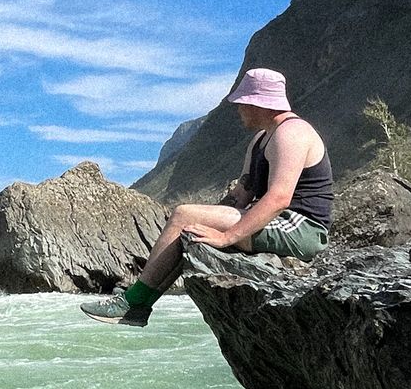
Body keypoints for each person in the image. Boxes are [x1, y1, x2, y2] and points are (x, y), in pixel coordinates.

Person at [81, 68, 333, 328]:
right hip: (277, 220)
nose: (238, 110)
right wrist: (206, 217)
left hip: (302, 227)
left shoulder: (292, 133)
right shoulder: (261, 139)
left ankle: (132, 302)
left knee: (183, 214)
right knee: (189, 223)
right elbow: (241, 194)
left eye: (242, 103)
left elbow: (279, 198)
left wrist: (227, 236)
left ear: (258, 103)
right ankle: (138, 305)